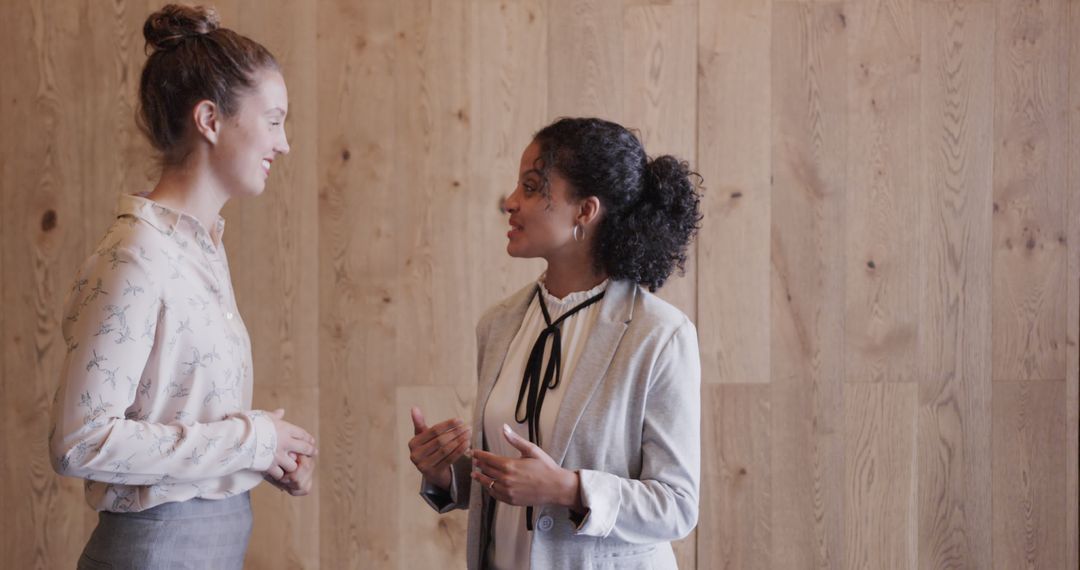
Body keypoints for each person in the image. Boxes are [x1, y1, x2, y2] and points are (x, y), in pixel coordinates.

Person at [48, 5, 316, 569]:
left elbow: (171, 416)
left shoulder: (201, 249)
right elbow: (80, 442)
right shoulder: (137, 254)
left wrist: (262, 456)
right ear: (211, 120)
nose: (284, 143)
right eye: (273, 120)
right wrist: (252, 440)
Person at [409, 117, 702, 569]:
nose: (510, 202)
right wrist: (445, 474)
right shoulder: (499, 324)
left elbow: (678, 506)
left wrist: (567, 488)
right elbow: (510, 481)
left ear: (585, 211)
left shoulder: (660, 335)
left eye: (530, 187)